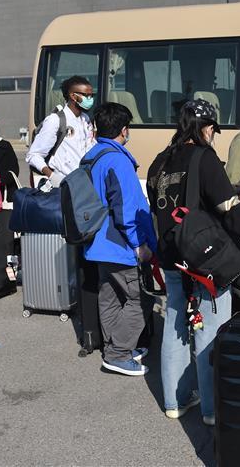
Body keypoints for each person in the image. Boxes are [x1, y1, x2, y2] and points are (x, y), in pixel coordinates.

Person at [147, 99, 240, 426]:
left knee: (175, 322)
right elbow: (231, 209)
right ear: (203, 127)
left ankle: (174, 401)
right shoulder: (204, 159)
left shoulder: (159, 162)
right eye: (212, 128)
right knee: (210, 329)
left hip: (171, 255)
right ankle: (211, 409)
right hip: (204, 260)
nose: (213, 135)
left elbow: (156, 209)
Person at [82, 102, 157, 377]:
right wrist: (139, 245)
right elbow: (126, 208)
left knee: (110, 297)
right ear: (124, 130)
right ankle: (118, 354)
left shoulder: (92, 156)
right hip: (120, 244)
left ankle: (117, 348)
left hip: (98, 243)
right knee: (142, 299)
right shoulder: (117, 159)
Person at [26, 75, 96, 188]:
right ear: (73, 96)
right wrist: (52, 176)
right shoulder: (55, 120)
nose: (90, 99)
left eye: (92, 95)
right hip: (63, 185)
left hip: (84, 183)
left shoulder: (86, 119)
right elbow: (33, 155)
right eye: (86, 95)